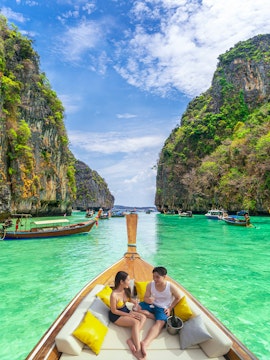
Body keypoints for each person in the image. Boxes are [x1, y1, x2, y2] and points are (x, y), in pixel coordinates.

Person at [138, 266, 181, 358]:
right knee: (136, 308)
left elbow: (178, 297)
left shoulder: (170, 286)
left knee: (160, 323)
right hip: (152, 304)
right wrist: (147, 300)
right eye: (153, 276)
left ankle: (145, 343)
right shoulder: (150, 285)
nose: (155, 279)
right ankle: (151, 315)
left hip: (162, 308)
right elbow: (145, 298)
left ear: (164, 276)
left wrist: (169, 308)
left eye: (157, 277)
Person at [109, 271, 147, 359]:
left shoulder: (126, 289)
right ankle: (138, 350)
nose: (129, 282)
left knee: (143, 317)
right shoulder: (113, 295)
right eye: (128, 280)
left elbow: (129, 300)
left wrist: (134, 302)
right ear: (121, 282)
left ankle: (131, 339)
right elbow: (114, 310)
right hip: (116, 315)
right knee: (135, 323)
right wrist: (128, 315)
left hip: (125, 310)